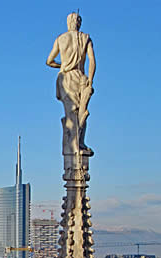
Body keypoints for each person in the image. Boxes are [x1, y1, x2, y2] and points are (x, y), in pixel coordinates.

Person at [46, 13, 96, 154]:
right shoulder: (85, 38)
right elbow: (92, 61)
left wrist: (63, 66)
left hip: (66, 78)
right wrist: (90, 81)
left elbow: (49, 61)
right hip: (80, 77)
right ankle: (78, 144)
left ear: (68, 23)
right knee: (81, 112)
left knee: (72, 113)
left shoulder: (61, 39)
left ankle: (75, 146)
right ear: (79, 23)